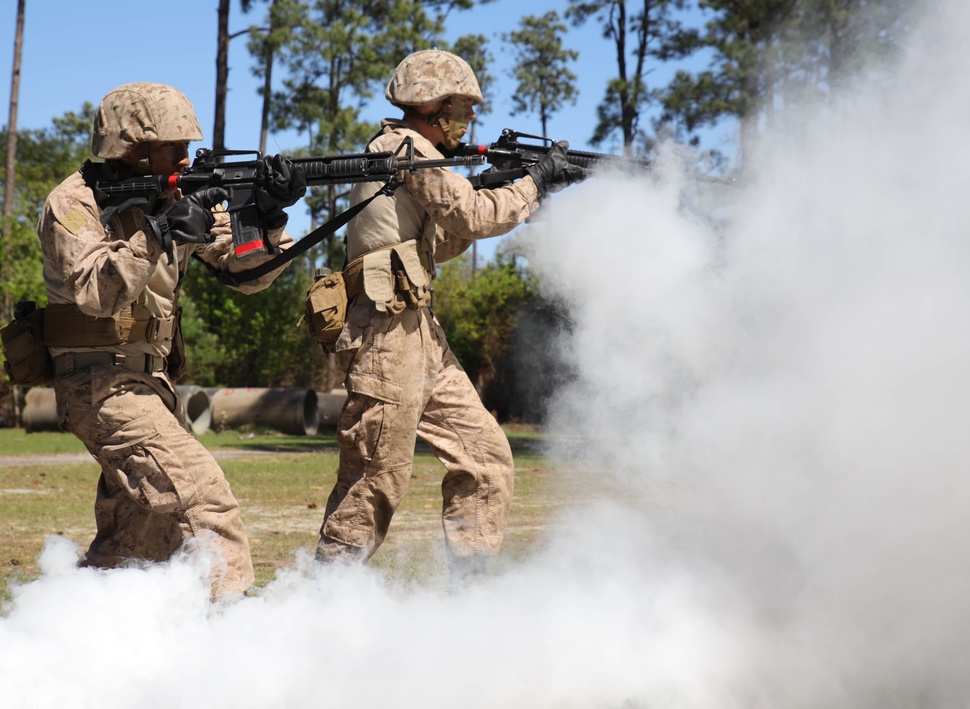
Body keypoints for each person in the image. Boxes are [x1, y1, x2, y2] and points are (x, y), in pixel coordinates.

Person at [315, 49, 585, 583]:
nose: (470, 122)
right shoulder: (407, 148)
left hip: (416, 331)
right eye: (463, 110)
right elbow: (475, 218)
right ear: (434, 107)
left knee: (484, 458)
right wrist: (533, 185)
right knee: (375, 479)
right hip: (385, 335)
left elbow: (445, 241)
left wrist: (493, 186)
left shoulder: (414, 153)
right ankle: (321, 602)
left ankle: (472, 592)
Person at [37, 82, 305, 600]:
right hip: (98, 385)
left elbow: (245, 271)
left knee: (137, 538)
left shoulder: (174, 195)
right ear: (130, 147)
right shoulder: (72, 203)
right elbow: (94, 291)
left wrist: (268, 217)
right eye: (173, 147)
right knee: (204, 500)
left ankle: (89, 631)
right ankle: (237, 628)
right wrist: (157, 233)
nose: (186, 157)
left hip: (149, 385)